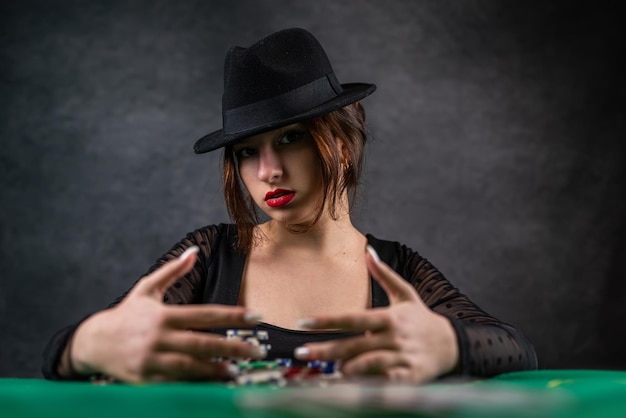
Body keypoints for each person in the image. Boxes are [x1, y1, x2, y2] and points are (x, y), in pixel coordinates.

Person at [42, 28, 537, 384]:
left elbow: (515, 348)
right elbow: (74, 347)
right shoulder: (209, 256)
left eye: (291, 138)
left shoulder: (398, 270)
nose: (267, 171)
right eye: (247, 151)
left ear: (342, 143)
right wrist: (86, 348)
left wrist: (449, 346)